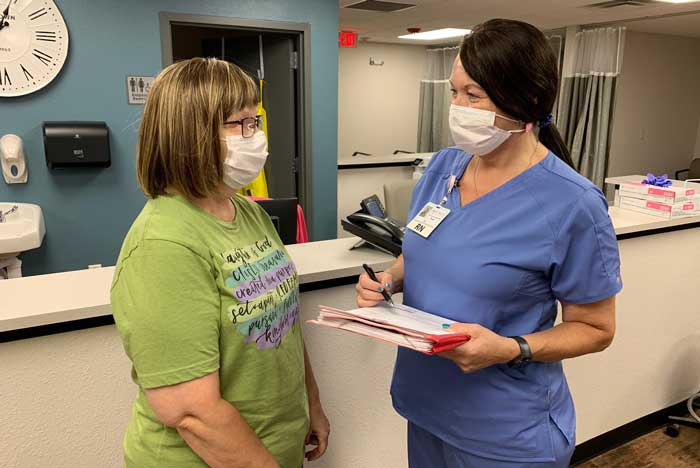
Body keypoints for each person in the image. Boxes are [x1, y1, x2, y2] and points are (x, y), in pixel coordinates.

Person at [356, 19, 621, 468]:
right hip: (425, 407)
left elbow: (597, 329)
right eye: (454, 92)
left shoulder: (572, 204)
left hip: (504, 431)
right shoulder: (444, 168)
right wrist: (389, 279)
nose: (458, 107)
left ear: (528, 100)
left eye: (473, 95)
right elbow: (422, 248)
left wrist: (511, 347)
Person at [111, 57, 329, 468]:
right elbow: (192, 413)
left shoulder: (249, 213)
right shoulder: (163, 244)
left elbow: (284, 327)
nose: (256, 137)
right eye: (239, 123)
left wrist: (311, 404)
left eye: (256, 121)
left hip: (274, 445)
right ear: (188, 134)